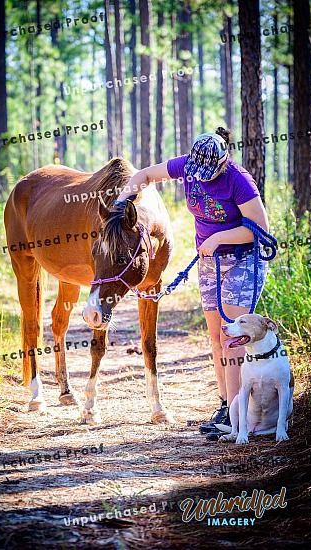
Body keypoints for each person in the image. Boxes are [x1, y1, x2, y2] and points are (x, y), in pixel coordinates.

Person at [114, 127, 269, 440]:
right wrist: (121, 204)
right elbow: (144, 175)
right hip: (209, 261)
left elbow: (260, 230)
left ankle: (239, 414)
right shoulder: (188, 166)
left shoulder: (239, 181)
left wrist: (219, 237)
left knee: (233, 338)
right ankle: (226, 407)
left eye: (209, 174)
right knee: (216, 335)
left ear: (224, 162)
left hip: (244, 259)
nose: (202, 179)